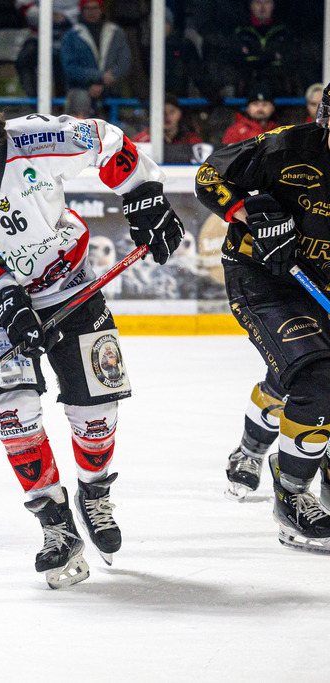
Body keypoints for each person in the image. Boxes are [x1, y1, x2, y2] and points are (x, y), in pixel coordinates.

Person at [0, 78, 184, 587]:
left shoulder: (38, 140)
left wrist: (144, 195)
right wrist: (8, 302)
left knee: (97, 411)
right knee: (12, 413)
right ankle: (55, 525)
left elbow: (108, 140)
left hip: (71, 285)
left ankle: (95, 490)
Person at [194, 81, 330, 551]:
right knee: (316, 375)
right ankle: (291, 496)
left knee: (295, 373)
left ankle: (268, 453)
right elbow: (209, 176)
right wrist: (250, 214)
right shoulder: (283, 147)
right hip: (264, 278)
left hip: (322, 283)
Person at [60, 0, 133, 115]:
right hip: (81, 91)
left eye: (95, 8)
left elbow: (124, 62)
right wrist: (100, 77)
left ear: (102, 9)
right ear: (82, 11)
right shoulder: (71, 35)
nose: (91, 12)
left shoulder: (116, 32)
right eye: (87, 8)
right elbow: (70, 68)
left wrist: (109, 78)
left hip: (111, 91)